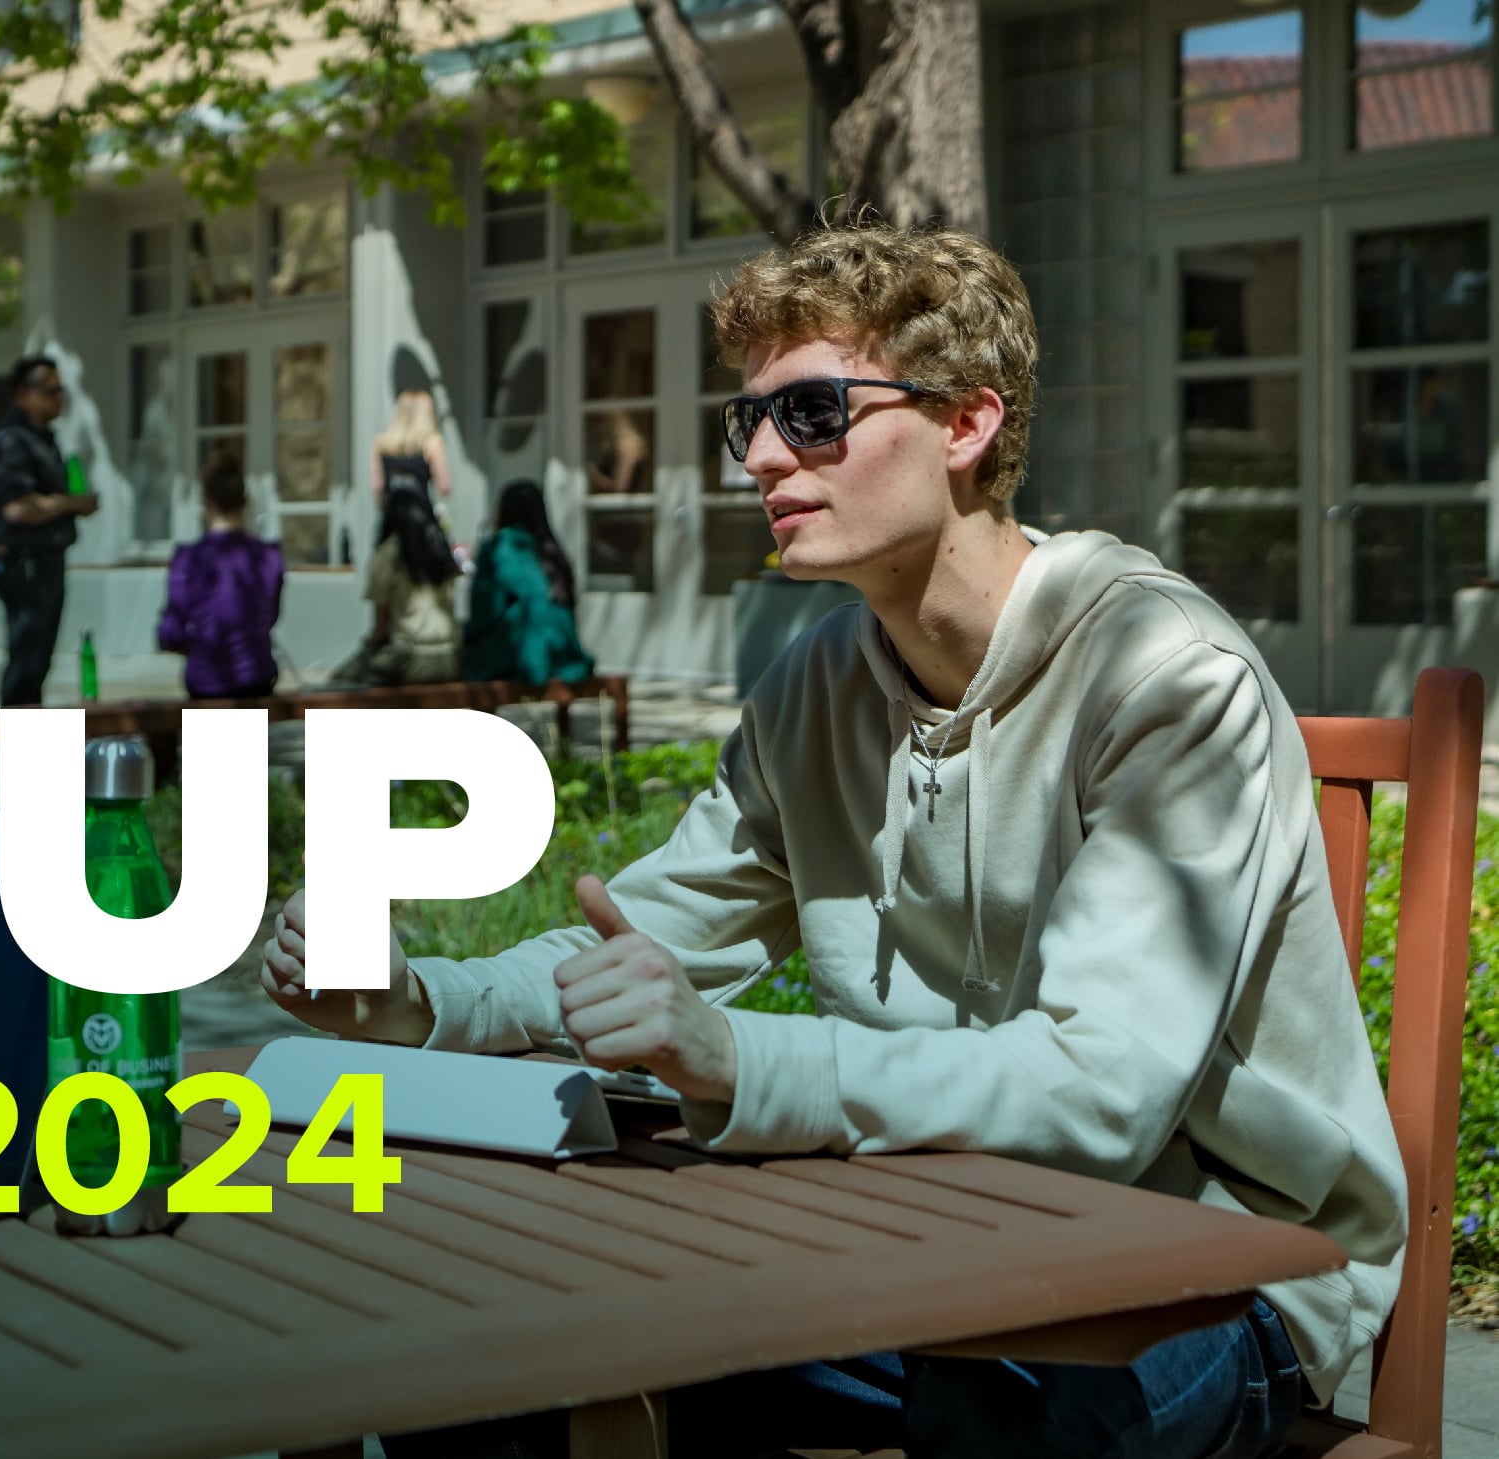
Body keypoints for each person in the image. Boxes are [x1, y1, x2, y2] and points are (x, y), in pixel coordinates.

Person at [260, 223, 1397, 1459]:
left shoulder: (1162, 676)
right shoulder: (817, 686)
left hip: (1215, 1259)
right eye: (743, 421)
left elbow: (1099, 1096)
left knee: (1002, 1399)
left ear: (966, 424)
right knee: (483, 1332)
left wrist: (738, 1058)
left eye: (809, 412)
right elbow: (644, 935)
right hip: (913, 1230)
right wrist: (418, 999)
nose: (755, 456)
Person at [0, 353, 97, 706]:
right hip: (25, 562)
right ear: (23, 395)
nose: (58, 398)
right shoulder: (12, 441)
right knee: (27, 659)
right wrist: (71, 504)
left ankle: (29, 742)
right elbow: (16, 508)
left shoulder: (45, 439)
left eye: (60, 390)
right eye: (49, 391)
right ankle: (21, 748)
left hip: (45, 559)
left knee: (39, 659)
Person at [155, 457, 286, 701]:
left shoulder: (189, 560)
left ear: (206, 503)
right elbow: (269, 617)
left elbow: (169, 634)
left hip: (207, 682)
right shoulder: (269, 557)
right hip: (257, 679)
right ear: (246, 503)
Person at [460, 478, 594, 689]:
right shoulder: (552, 552)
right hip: (565, 657)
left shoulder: (497, 548)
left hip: (523, 658)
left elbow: (484, 610)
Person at [341, 481, 462, 686]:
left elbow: (380, 630)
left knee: (345, 683)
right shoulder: (441, 553)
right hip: (451, 656)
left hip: (409, 658)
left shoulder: (388, 555)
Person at [370, 388, 452, 543]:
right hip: (421, 520)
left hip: (392, 524)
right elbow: (444, 487)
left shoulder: (381, 444)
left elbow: (376, 487)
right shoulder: (432, 443)